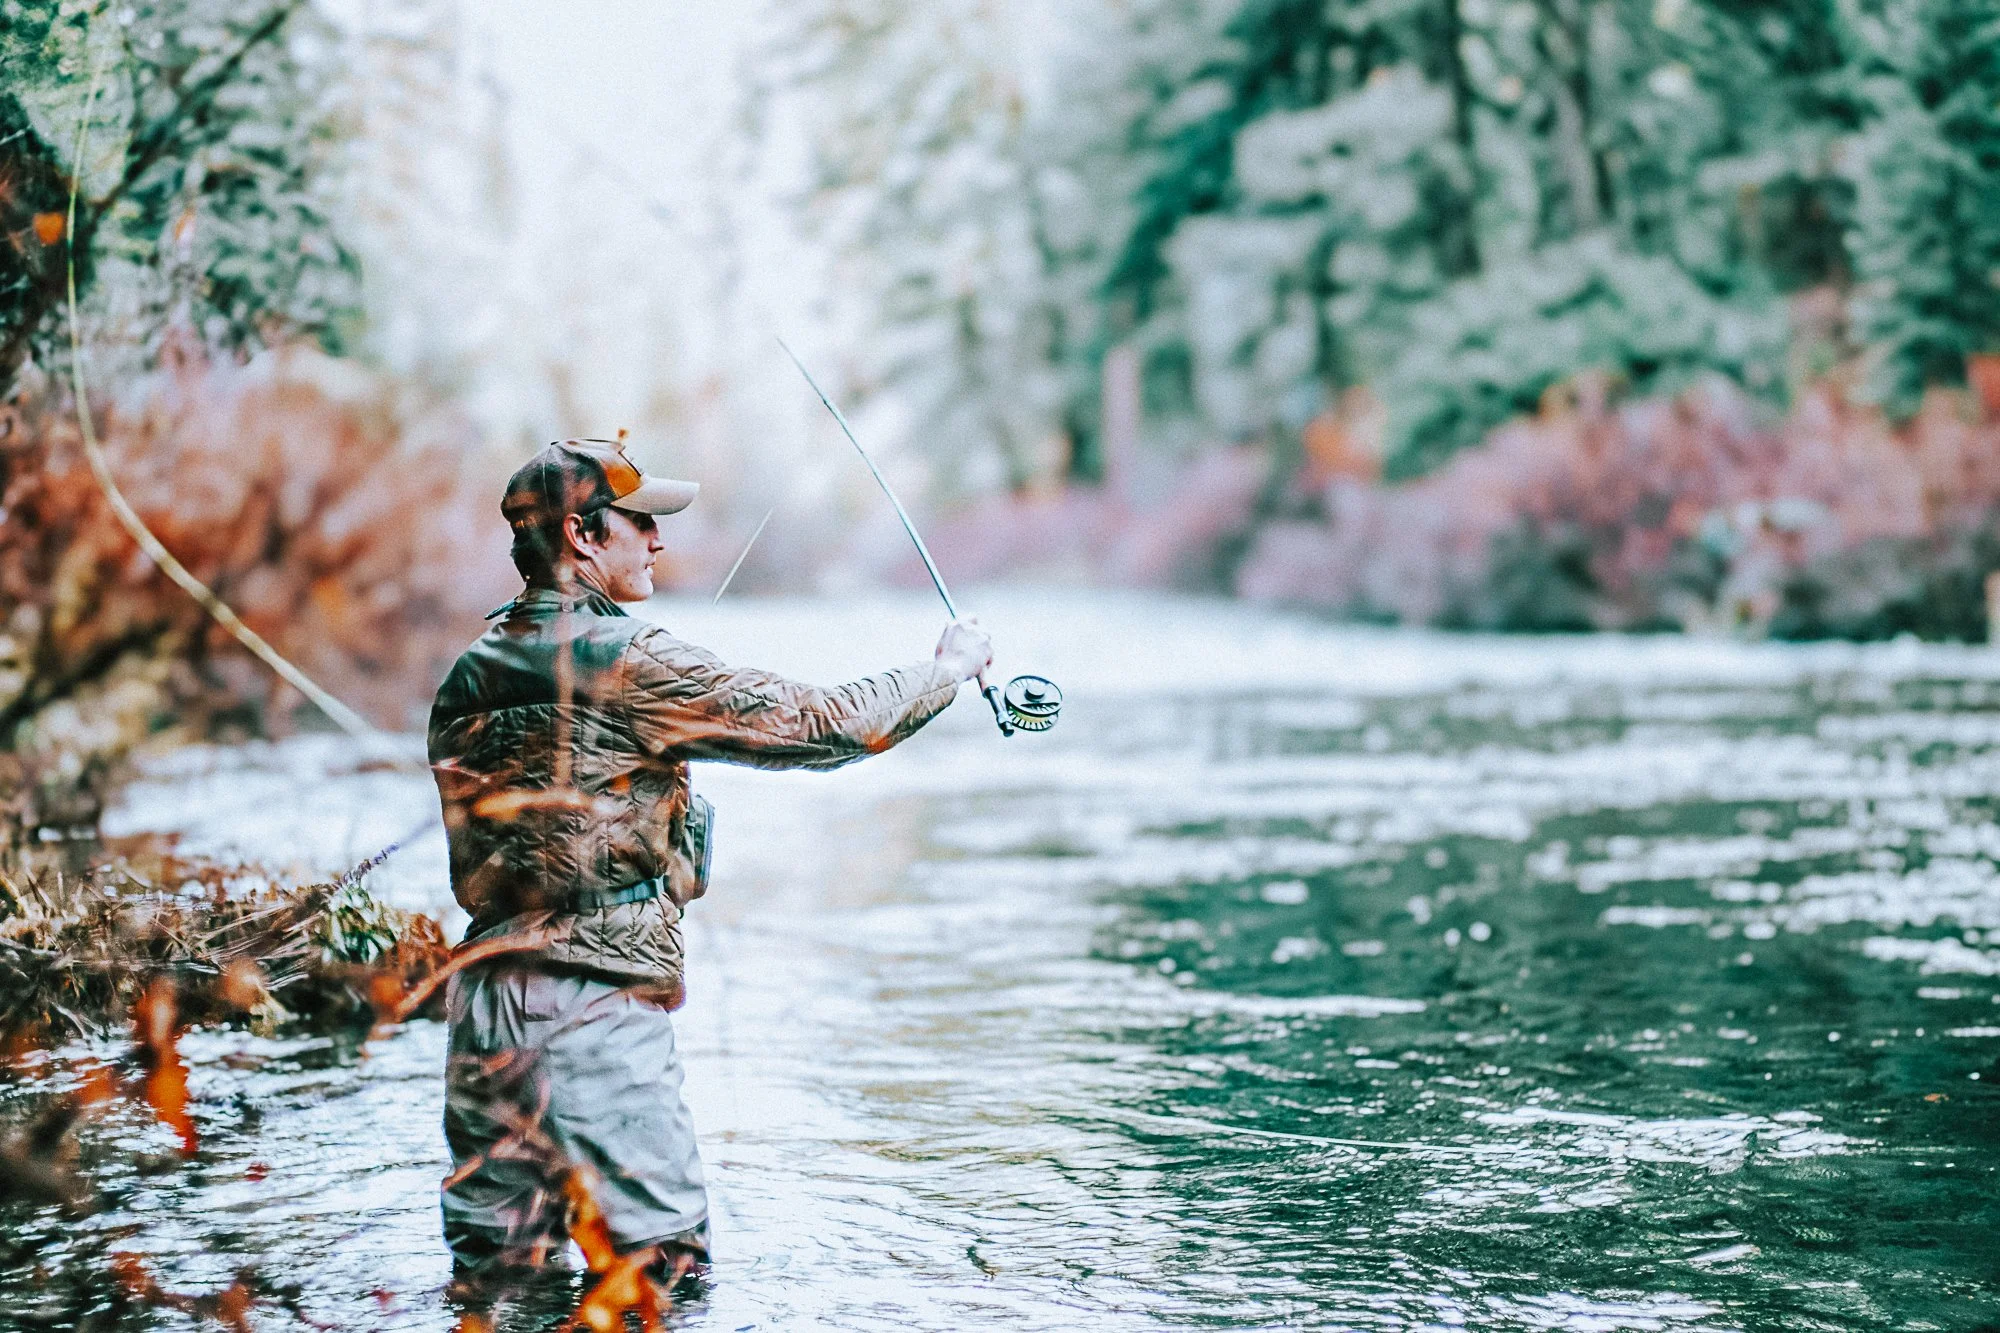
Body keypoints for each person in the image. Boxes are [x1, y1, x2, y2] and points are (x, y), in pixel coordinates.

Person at [427, 438, 991, 1281]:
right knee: (661, 1278)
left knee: (501, 1288)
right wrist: (944, 671)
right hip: (592, 1010)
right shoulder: (630, 659)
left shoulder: (467, 672)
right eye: (641, 522)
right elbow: (820, 725)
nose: (657, 540)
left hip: (482, 1011)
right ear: (583, 535)